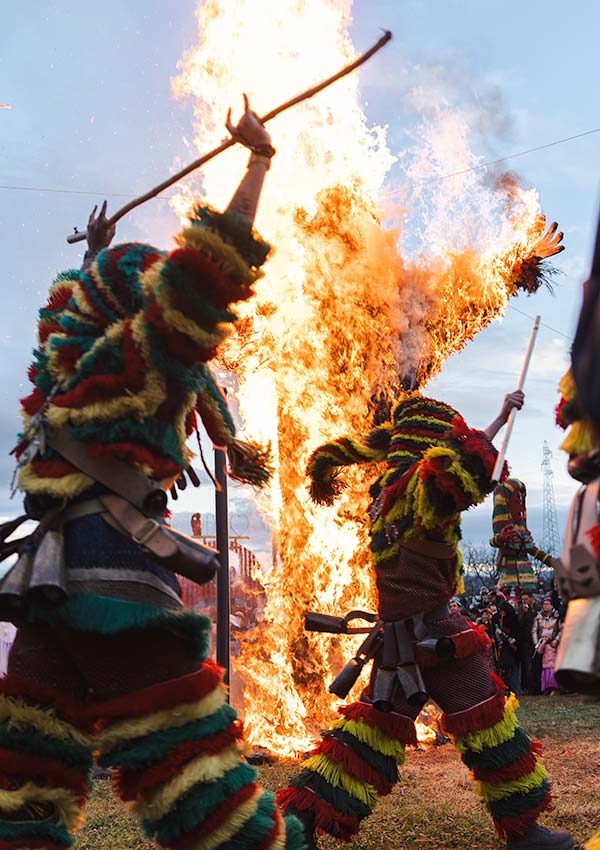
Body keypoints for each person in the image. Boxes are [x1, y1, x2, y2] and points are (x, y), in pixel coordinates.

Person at [0, 100, 305, 850]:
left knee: (29, 772)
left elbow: (73, 308)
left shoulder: (73, 368)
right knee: (182, 774)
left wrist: (91, 255)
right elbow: (206, 278)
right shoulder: (135, 360)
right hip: (104, 591)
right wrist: (257, 163)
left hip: (57, 587)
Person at [278, 391, 573, 850]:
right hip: (437, 636)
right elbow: (468, 468)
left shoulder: (385, 500)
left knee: (369, 736)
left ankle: (300, 816)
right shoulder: (423, 492)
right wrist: (487, 434)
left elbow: (461, 457)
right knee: (488, 721)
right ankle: (524, 830)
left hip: (399, 641)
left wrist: (496, 419)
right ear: (430, 446)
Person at [490, 479, 553, 593]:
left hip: (526, 573)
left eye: (521, 500)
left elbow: (533, 550)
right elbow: (494, 542)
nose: (519, 504)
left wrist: (552, 561)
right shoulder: (505, 531)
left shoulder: (523, 532)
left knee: (527, 595)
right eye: (515, 501)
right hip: (508, 573)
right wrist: (501, 538)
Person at [532, 598, 560, 695]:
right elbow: (534, 630)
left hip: (554, 644)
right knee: (545, 666)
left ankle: (555, 687)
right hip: (542, 643)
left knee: (554, 665)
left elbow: (560, 630)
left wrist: (556, 639)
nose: (546, 606)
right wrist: (537, 644)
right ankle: (546, 686)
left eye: (548, 604)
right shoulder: (539, 617)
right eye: (544, 604)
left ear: (552, 606)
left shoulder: (557, 616)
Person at [495, 601, 522, 696]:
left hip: (513, 647)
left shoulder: (513, 619)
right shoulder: (503, 618)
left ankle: (515, 689)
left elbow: (517, 632)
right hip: (506, 647)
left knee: (514, 669)